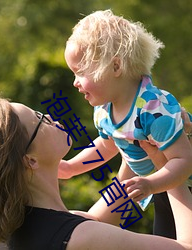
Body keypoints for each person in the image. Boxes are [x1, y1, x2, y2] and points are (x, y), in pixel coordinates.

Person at [0, 98, 192, 250]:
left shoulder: (20, 233)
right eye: (40, 120)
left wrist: (133, 135)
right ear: (30, 160)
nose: (50, 117)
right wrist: (169, 165)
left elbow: (98, 219)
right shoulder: (80, 238)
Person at [61, 9, 192, 239]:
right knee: (94, 222)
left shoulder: (153, 109)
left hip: (181, 185)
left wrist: (150, 184)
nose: (75, 82)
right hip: (155, 183)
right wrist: (71, 167)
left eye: (80, 72)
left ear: (115, 67)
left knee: (172, 241)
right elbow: (107, 145)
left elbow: (184, 160)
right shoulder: (104, 109)